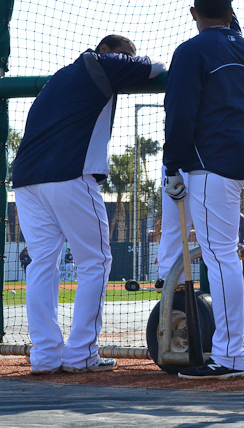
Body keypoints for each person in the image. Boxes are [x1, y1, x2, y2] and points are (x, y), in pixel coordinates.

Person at [12, 34, 164, 375]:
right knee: (96, 261)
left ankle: (47, 357)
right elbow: (156, 67)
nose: (126, 62)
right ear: (107, 50)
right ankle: (81, 353)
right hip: (69, 174)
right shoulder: (97, 63)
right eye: (123, 55)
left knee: (41, 265)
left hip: (27, 180)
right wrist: (130, 61)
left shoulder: (62, 76)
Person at [157, 0, 244, 380]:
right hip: (243, 159)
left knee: (220, 258)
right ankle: (230, 352)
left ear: (193, 13)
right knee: (224, 257)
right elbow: (228, 32)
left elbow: (179, 112)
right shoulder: (243, 45)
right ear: (231, 12)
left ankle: (230, 357)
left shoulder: (191, 49)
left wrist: (171, 165)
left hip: (211, 164)